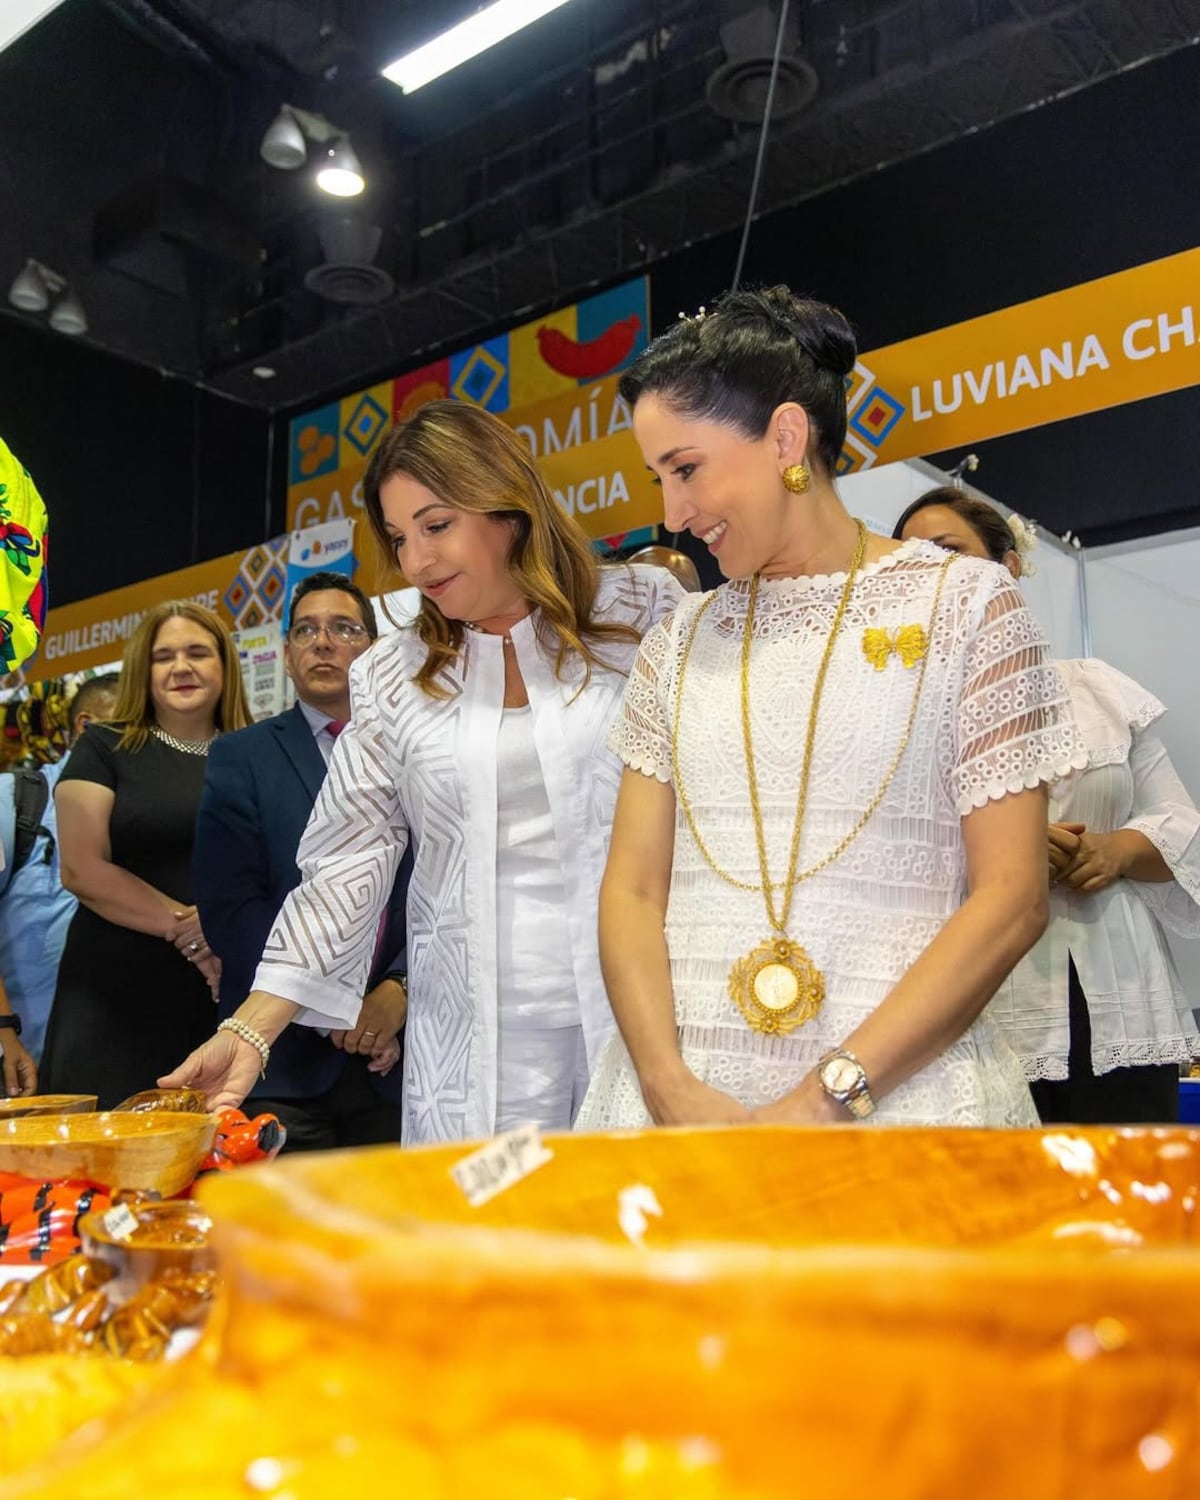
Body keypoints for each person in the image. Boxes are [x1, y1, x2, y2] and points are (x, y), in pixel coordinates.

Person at [574, 287, 1084, 1132]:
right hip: (680, 1109)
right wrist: (666, 1086)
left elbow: (1012, 897)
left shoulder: (965, 607)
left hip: (901, 1102)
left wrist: (824, 1101)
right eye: (658, 478)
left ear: (786, 438)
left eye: (686, 469)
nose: (672, 514)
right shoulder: (678, 642)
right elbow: (631, 889)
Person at [163, 400, 685, 1142]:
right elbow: (346, 861)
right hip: (473, 1040)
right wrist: (250, 1031)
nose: (416, 562)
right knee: (492, 1207)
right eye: (400, 537)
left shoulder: (642, 612)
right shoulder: (393, 674)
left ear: (509, 506)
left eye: (436, 525)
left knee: (637, 1208)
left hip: (647, 1015)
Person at [896, 486, 1200, 1123]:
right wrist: (1005, 845)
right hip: (976, 996)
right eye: (908, 560)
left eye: (947, 552)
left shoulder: (1097, 688)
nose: (928, 573)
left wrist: (1115, 850)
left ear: (1006, 568)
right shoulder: (894, 715)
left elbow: (1179, 822)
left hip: (1116, 990)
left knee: (1129, 1178)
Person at [193, 571, 410, 1150]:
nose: (324, 643)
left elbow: (440, 886)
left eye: (344, 628)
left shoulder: (416, 750)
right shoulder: (241, 755)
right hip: (279, 1064)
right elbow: (230, 906)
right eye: (307, 630)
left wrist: (398, 989)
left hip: (401, 1056)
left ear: (374, 650)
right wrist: (326, 1003)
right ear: (287, 653)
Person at [40, 602, 251, 1109]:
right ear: (143, 669)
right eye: (164, 656)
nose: (181, 667)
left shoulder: (255, 754)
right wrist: (193, 932)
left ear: (225, 664)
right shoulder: (104, 746)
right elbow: (82, 868)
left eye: (198, 652)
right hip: (112, 997)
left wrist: (221, 932)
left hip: (224, 999)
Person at [0, 672, 120, 1069]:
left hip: (114, 1057)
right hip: (22, 1061)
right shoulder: (14, 800)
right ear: (86, 726)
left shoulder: (146, 813)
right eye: (133, 726)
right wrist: (3, 1030)